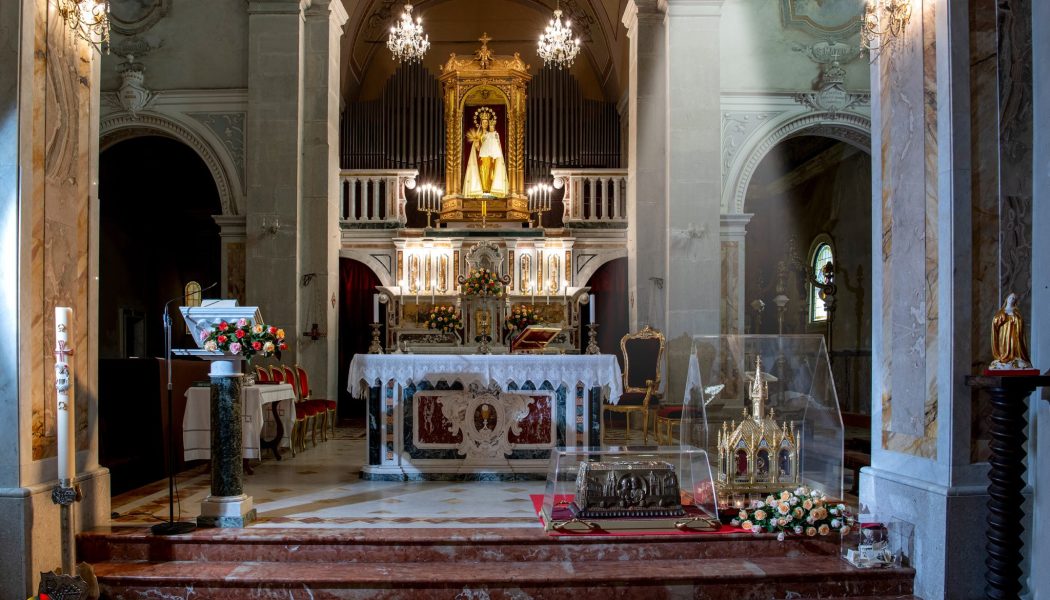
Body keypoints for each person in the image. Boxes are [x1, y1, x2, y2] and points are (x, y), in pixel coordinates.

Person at [462, 107, 508, 198]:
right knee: (482, 173)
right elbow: (477, 150)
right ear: (481, 123)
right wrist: (476, 144)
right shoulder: (478, 134)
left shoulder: (491, 134)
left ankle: (489, 189)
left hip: (490, 157)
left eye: (486, 122)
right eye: (483, 122)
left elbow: (496, 145)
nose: (485, 124)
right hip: (481, 159)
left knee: (490, 174)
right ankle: (483, 189)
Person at [990, 292, 1033, 369]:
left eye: (1014, 298)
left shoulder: (1016, 311)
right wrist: (1001, 318)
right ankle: (1004, 359)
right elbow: (995, 321)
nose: (1012, 299)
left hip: (1014, 334)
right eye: (1011, 297)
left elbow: (1021, 322)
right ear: (1007, 299)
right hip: (1003, 334)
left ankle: (1014, 358)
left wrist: (1015, 319)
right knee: (1003, 347)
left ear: (1015, 301)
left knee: (1014, 345)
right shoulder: (1002, 311)